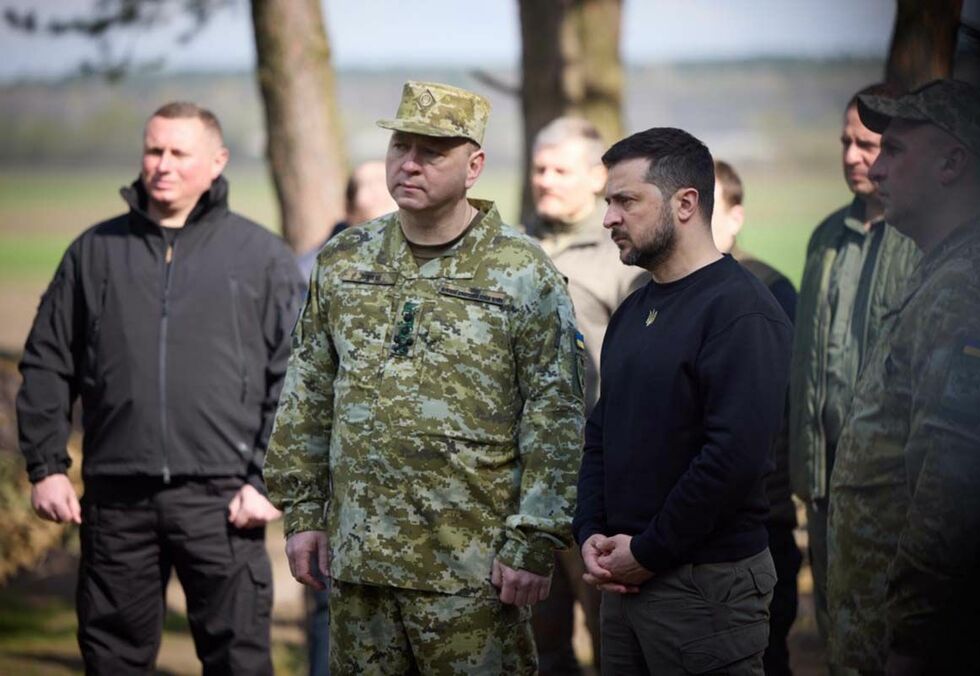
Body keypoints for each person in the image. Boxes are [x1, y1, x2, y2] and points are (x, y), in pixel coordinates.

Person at [265, 80, 585, 675]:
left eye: (432, 151)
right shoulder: (346, 259)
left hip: (472, 569)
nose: (409, 164)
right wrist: (304, 514)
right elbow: (308, 392)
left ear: (474, 165)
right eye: (400, 147)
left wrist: (534, 541)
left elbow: (555, 414)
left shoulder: (520, 272)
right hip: (360, 563)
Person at [17, 101, 303, 675]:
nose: (162, 165)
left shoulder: (261, 257)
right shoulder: (95, 253)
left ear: (217, 161)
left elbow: (297, 379)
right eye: (154, 150)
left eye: (179, 152)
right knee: (112, 660)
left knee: (240, 662)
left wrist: (270, 478)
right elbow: (48, 363)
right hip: (117, 499)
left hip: (225, 502)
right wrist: (47, 465)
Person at [574, 127, 793, 674]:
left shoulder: (741, 312)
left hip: (705, 589)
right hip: (623, 585)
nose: (608, 219)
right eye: (608, 202)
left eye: (626, 200)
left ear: (686, 203)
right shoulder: (635, 307)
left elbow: (733, 460)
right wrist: (592, 533)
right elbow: (603, 433)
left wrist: (648, 552)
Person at [827, 79, 980, 675]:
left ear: (953, 162)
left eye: (894, 150)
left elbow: (952, 494)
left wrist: (913, 643)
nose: (874, 169)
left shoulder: (969, 289)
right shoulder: (946, 270)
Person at [788, 83, 921, 674]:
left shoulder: (924, 240)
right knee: (836, 634)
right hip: (824, 482)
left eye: (868, 144)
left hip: (897, 490)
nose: (851, 156)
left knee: (894, 640)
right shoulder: (824, 239)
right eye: (845, 141)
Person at [524, 116, 644, 675]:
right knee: (535, 641)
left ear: (597, 178)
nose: (545, 180)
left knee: (610, 637)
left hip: (593, 483)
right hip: (520, 482)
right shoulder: (511, 249)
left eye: (560, 169)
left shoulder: (623, 258)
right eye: (538, 168)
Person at [302, 158, 398, 676]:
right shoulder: (318, 268)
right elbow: (301, 385)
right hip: (342, 502)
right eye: (371, 189)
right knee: (330, 616)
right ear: (349, 204)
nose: (386, 198)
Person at [712, 159, 801, 676]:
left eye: (709, 205)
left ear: (736, 216)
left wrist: (770, 500)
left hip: (759, 519)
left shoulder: (769, 289)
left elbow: (781, 411)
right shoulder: (648, 292)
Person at [296, 160, 397, 281]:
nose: (380, 192)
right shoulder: (313, 271)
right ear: (350, 209)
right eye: (370, 184)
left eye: (384, 182)